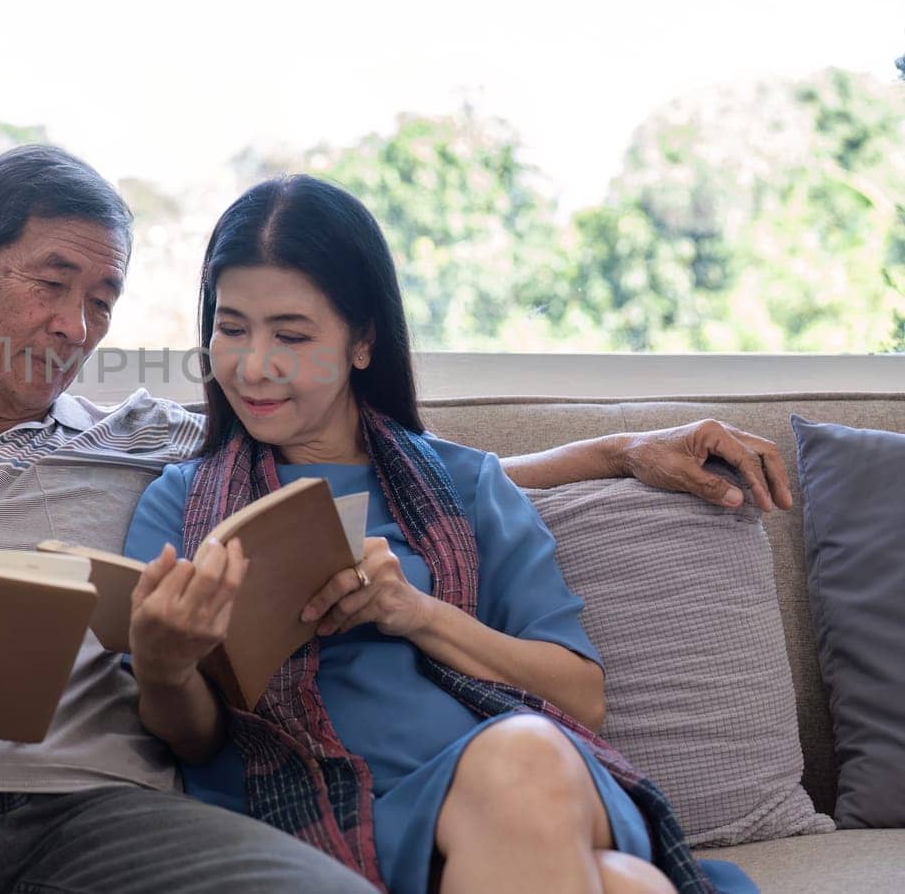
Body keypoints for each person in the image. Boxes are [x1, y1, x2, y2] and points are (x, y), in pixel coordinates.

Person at [0, 147, 789, 893]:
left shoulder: (162, 443)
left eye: (102, 298)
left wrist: (626, 449)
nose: (76, 325)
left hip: (105, 823)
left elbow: (407, 469)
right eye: (52, 282)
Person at [123, 175, 768, 893]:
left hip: (522, 779)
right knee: (628, 885)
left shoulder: (467, 486)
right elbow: (194, 738)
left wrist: (418, 613)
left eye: (292, 334)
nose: (253, 364)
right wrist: (163, 665)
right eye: (232, 327)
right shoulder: (177, 505)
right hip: (312, 819)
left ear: (363, 340)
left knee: (521, 759)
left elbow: (580, 696)